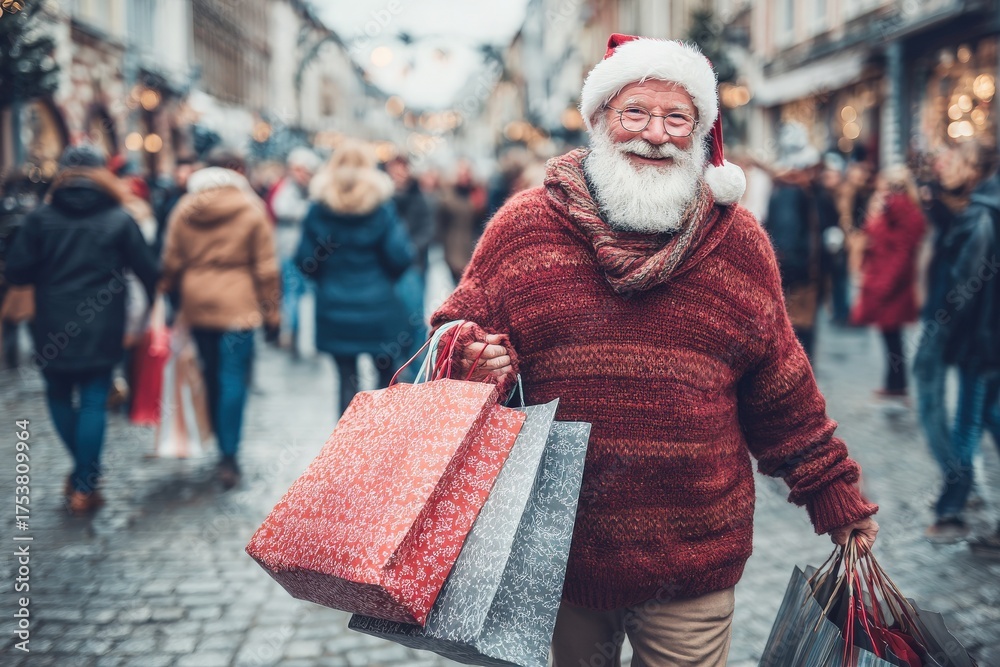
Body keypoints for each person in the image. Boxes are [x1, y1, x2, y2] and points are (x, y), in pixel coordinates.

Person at [430, 34, 878, 665]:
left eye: (677, 117)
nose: (656, 134)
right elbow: (453, 335)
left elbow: (781, 389)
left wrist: (833, 491)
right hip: (559, 556)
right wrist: (471, 361)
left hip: (694, 559)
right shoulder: (525, 227)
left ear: (700, 133)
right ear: (599, 121)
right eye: (635, 112)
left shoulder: (739, 244)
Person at [5, 145, 159, 513]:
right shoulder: (119, 218)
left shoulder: (40, 218)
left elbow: (16, 271)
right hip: (103, 323)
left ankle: (82, 476)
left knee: (59, 395)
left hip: (50, 322)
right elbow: (149, 271)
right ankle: (84, 483)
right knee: (93, 399)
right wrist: (152, 309)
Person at [159, 149, 281, 489]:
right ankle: (229, 452)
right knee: (233, 378)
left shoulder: (184, 209)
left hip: (197, 304)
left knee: (210, 372)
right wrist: (272, 313)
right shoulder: (251, 208)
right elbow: (266, 268)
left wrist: (171, 296)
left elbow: (170, 261)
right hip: (238, 307)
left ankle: (216, 437)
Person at [296, 140, 413, 418]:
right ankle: (381, 445)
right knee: (385, 379)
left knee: (346, 380)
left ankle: (347, 453)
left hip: (334, 307)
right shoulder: (381, 209)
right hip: (378, 305)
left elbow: (305, 261)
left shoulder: (318, 209)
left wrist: (327, 279)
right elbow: (400, 257)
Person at [927, 144, 1000, 543]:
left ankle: (951, 507)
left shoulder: (981, 215)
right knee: (989, 416)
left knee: (968, 423)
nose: (948, 166)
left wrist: (947, 332)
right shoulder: (982, 209)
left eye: (961, 160)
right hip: (989, 340)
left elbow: (964, 288)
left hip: (981, 341)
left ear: (977, 170)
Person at [850, 166, 926, 399]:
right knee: (890, 336)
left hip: (891, 284)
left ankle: (896, 384)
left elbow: (902, 253)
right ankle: (894, 383)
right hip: (885, 279)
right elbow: (873, 232)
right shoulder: (892, 208)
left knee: (892, 337)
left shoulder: (901, 210)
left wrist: (885, 285)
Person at [764, 123, 823, 358]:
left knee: (799, 325)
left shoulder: (794, 190)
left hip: (798, 269)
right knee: (798, 326)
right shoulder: (790, 191)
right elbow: (786, 237)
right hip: (797, 272)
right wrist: (796, 267)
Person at [270, 147, 322, 355]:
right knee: (291, 292)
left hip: (311, 252)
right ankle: (290, 332)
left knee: (306, 294)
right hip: (289, 250)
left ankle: (304, 334)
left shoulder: (313, 190)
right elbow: (281, 208)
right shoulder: (287, 189)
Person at [386, 154, 434, 376]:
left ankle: (415, 369)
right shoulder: (383, 198)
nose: (398, 174)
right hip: (390, 267)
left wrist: (413, 250)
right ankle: (396, 366)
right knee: (393, 317)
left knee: (415, 318)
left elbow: (428, 227)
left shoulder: (418, 196)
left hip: (414, 265)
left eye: (402, 169)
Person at [437, 159, 487, 283]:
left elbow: (483, 221)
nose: (464, 176)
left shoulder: (477, 194)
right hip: (454, 247)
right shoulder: (447, 196)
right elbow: (441, 225)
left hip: (473, 246)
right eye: (461, 173)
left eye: (467, 172)